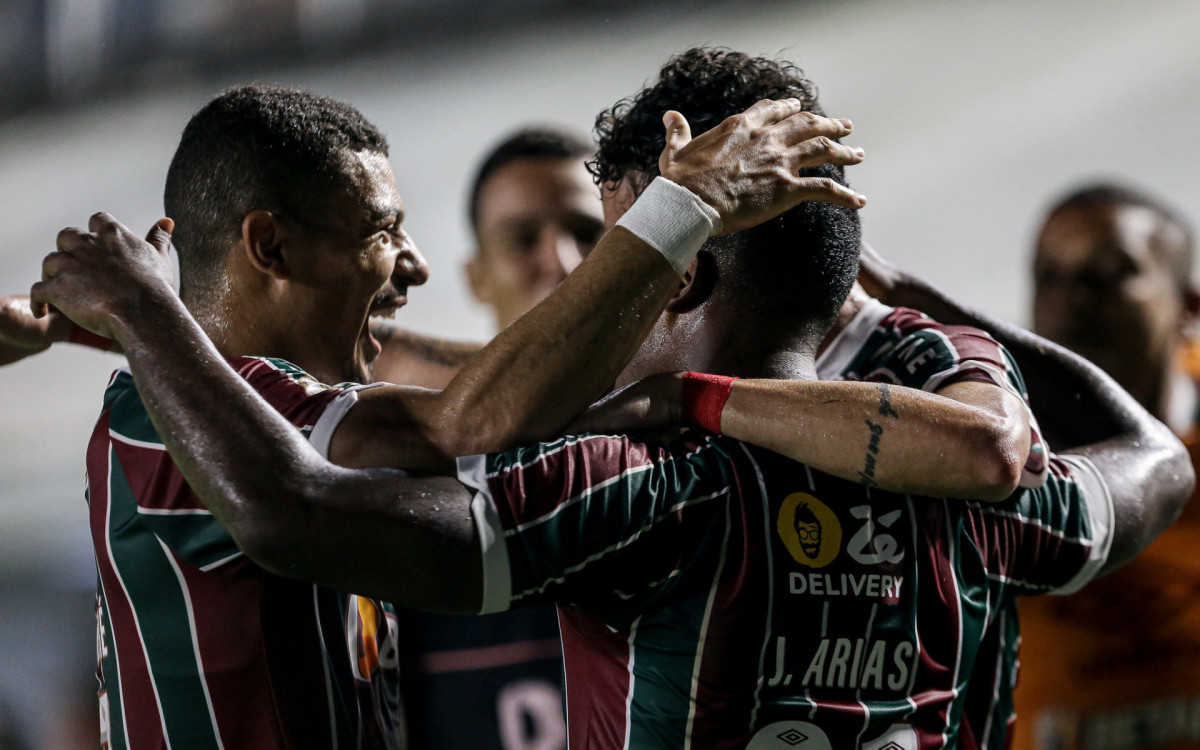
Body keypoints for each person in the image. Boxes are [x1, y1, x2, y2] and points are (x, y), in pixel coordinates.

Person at [32, 48, 1189, 749]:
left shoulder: (636, 487)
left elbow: (332, 487)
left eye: (618, 245)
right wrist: (919, 301)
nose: (595, 280)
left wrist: (145, 322)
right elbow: (1154, 457)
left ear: (679, 271)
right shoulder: (995, 498)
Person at [30, 78, 867, 749]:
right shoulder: (179, 407)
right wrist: (685, 206)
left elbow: (477, 395)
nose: (415, 264)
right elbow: (462, 421)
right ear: (271, 248)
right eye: (384, 230)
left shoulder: (233, 404)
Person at [387, 127, 602, 750]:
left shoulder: (696, 443)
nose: (560, 261)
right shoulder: (409, 478)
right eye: (523, 237)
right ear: (476, 278)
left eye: (588, 234)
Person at [1016, 183, 1200, 750]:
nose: (1072, 300)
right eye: (1050, 276)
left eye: (1108, 275)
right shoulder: (997, 461)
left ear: (1188, 306)